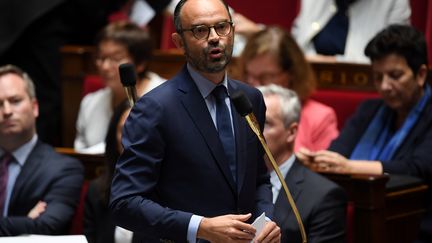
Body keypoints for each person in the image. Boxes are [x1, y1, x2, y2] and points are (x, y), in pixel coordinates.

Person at [109, 0, 281, 242]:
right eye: (200, 30)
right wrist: (200, 227)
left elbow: (259, 180)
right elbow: (124, 203)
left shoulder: (250, 99)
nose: (214, 38)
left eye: (222, 27)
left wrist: (267, 220)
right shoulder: (155, 108)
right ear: (179, 42)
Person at [297, 24, 432, 243]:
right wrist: (318, 160)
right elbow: (337, 152)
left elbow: (418, 167)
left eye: (395, 75)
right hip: (357, 214)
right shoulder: (369, 110)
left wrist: (350, 167)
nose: (385, 86)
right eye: (378, 77)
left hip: (417, 223)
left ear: (420, 74)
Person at [0, 64, 84, 235]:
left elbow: (48, 226)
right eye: (0, 104)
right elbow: (33, 226)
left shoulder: (64, 169)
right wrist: (26, 223)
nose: (7, 111)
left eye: (15, 101)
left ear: (35, 107)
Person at [258, 84, 347, 243]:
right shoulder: (232, 180)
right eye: (249, 121)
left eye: (265, 123)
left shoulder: (324, 196)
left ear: (291, 132)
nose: (253, 130)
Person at [241, 26, 339, 152]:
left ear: (291, 74)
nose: (255, 85)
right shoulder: (232, 110)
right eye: (249, 76)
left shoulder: (320, 118)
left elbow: (321, 170)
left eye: (267, 77)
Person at [74, 21, 165, 154]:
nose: (104, 67)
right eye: (101, 58)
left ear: (140, 63)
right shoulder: (90, 102)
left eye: (116, 59)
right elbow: (81, 155)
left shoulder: (166, 97)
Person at [292, 0, 411, 63]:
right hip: (310, 85)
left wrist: (331, 62)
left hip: (367, 90)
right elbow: (297, 43)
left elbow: (393, 60)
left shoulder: (394, 2)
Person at [84, 100, 134, 243]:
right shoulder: (96, 191)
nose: (132, 138)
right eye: (125, 129)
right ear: (114, 137)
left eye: (140, 129)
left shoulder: (168, 192)